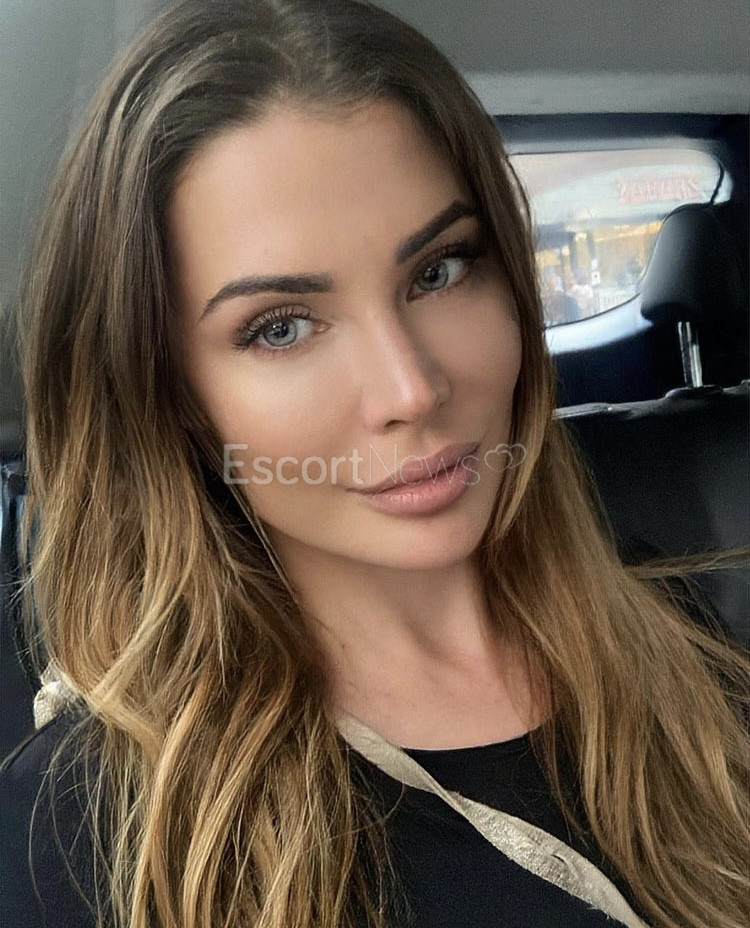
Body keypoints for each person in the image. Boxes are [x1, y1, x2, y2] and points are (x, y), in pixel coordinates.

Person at [0, 2, 747, 927]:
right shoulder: (81, 834)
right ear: (165, 394)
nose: (412, 389)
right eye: (281, 327)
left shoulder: (687, 638)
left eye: (439, 270)